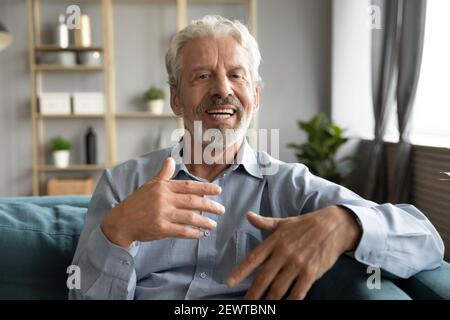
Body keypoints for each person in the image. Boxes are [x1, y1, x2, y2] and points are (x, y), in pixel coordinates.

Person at [69, 15, 444, 300]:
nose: (222, 89)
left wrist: (347, 223)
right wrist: (118, 232)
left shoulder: (292, 188)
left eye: (236, 75)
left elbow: (428, 242)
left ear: (255, 96)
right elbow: (80, 293)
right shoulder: (122, 184)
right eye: (202, 76)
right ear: (176, 98)